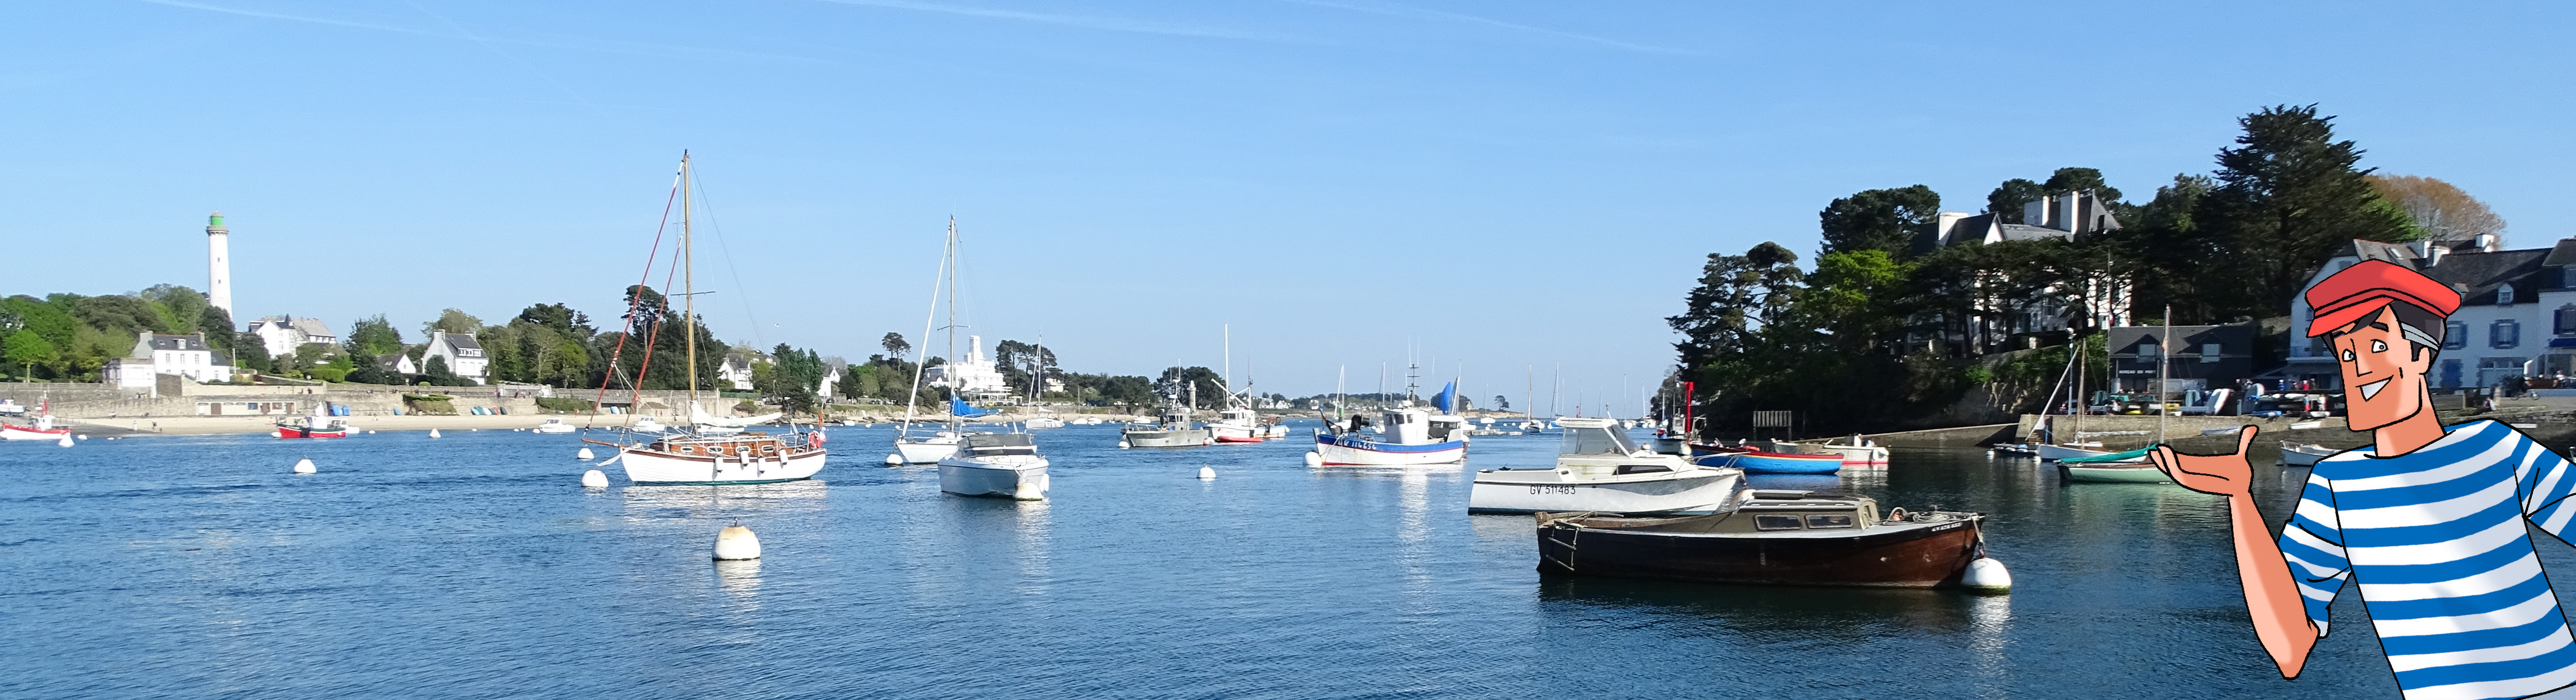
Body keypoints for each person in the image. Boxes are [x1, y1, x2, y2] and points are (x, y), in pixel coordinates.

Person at [2154, 260, 2576, 699]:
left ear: (2420, 355)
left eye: (2376, 347)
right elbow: (2289, 645)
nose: (2358, 370)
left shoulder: (2494, 447)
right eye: (2347, 354)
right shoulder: (2335, 483)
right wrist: (2240, 500)